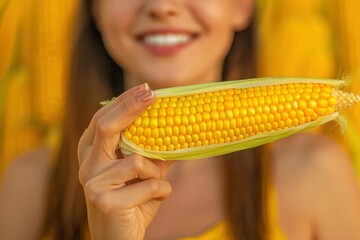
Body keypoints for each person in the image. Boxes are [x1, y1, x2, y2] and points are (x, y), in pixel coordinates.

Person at [1, 0, 360, 239]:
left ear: (241, 6)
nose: (162, 6)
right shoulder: (29, 185)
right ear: (95, 8)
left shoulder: (316, 174)